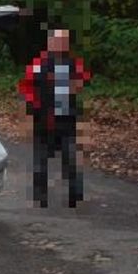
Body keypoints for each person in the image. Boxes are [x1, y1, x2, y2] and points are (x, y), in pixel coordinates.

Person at [18, 27, 91, 207]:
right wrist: (28, 114)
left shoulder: (73, 62)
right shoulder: (39, 64)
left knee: (71, 159)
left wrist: (77, 84)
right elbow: (25, 89)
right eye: (58, 41)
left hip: (67, 120)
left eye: (64, 41)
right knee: (41, 161)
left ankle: (75, 196)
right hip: (43, 120)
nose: (61, 44)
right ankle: (40, 196)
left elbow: (84, 78)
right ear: (50, 43)